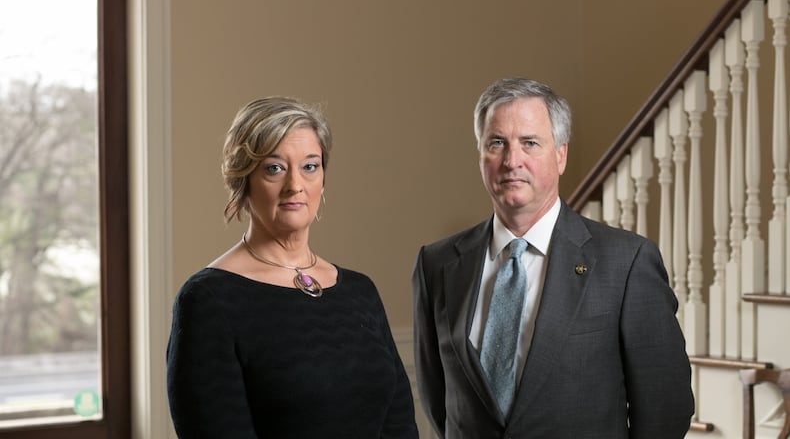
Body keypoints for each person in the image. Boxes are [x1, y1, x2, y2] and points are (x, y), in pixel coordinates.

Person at [412, 78, 694, 438]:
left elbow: (665, 409)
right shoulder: (436, 266)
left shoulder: (626, 263)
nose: (512, 160)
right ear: (480, 154)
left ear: (560, 155)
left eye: (530, 143)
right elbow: (440, 404)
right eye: (497, 143)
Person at [167, 96, 418, 438]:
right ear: (243, 180)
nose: (294, 186)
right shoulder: (208, 300)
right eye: (274, 168)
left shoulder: (361, 291)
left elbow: (399, 424)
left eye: (310, 166)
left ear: (323, 178)